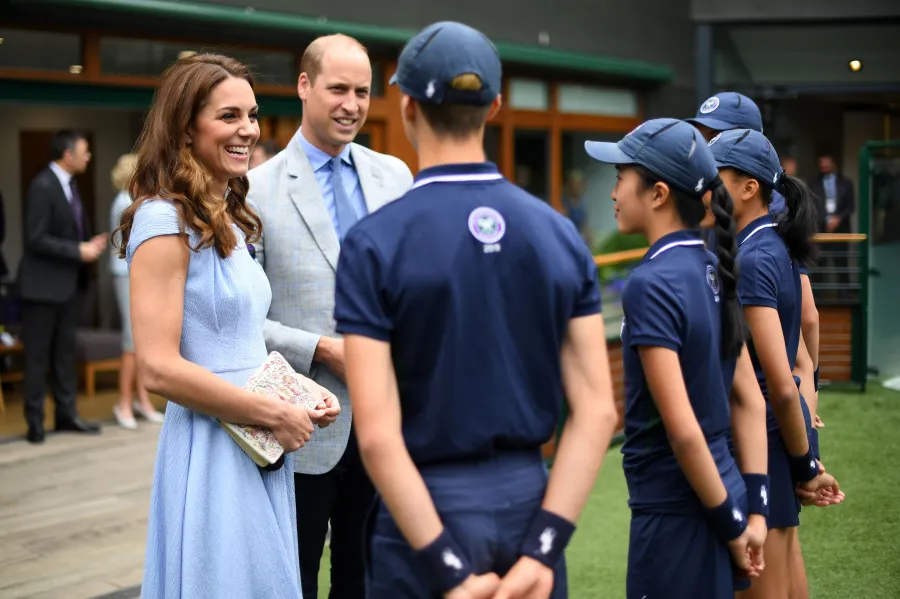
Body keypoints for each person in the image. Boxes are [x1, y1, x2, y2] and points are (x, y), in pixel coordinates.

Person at [334, 21, 619, 599]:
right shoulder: (559, 234)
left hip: (423, 513)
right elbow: (596, 410)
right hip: (528, 507)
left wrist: (446, 569)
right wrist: (544, 548)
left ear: (406, 105)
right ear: (494, 107)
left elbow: (378, 436)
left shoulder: (374, 242)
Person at [115, 53, 339, 598]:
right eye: (229, 116)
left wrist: (299, 396)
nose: (248, 130)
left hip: (260, 439)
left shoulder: (229, 216)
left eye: (253, 115)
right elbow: (160, 370)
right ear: (186, 128)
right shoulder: (162, 219)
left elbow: (239, 340)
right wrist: (273, 414)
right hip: (212, 446)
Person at [246, 34, 412, 599]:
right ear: (303, 86)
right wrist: (320, 348)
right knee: (294, 580)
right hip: (300, 424)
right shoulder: (252, 188)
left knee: (368, 579)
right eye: (338, 88)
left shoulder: (395, 176)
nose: (352, 103)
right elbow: (242, 317)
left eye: (362, 91)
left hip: (385, 419)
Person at [585, 118, 770, 598]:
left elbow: (684, 432)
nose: (613, 191)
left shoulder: (652, 282)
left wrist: (734, 527)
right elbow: (749, 399)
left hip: (675, 508)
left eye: (621, 176)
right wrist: (753, 513)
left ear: (658, 193)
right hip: (722, 489)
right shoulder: (713, 264)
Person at [708, 128, 844, 599]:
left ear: (749, 188)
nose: (705, 185)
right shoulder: (773, 245)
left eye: (715, 175)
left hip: (762, 441)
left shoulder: (753, 256)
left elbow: (781, 384)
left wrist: (805, 463)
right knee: (786, 576)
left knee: (768, 583)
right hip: (777, 437)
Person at [17, 129, 107, 444]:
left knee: (65, 355)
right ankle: (35, 424)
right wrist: (77, 250)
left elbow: (64, 232)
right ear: (67, 154)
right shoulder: (42, 186)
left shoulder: (70, 185)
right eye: (84, 150)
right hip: (41, 289)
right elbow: (35, 238)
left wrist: (85, 245)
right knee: (38, 357)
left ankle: (67, 416)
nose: (89, 156)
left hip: (70, 286)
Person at [108, 152, 163, 430]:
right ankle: (124, 403)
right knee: (131, 343)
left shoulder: (133, 201)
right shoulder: (124, 203)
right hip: (125, 276)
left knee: (141, 341)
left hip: (134, 276)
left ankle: (142, 399)